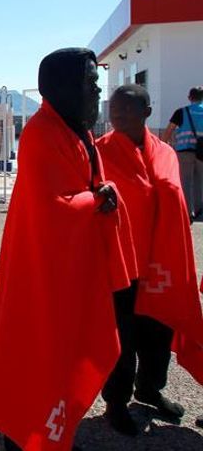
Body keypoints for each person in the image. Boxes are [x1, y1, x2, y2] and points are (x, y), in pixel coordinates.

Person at [0, 48, 137, 451]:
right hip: (40, 273)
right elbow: (53, 208)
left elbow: (81, 190)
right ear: (66, 86)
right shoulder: (41, 134)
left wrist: (98, 195)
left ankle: (57, 430)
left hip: (70, 271)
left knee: (65, 356)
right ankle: (23, 436)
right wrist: (97, 199)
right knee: (35, 354)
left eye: (96, 82)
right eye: (90, 82)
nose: (97, 90)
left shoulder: (76, 131)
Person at [97, 84, 203, 435]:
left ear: (147, 111)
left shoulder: (166, 153)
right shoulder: (99, 153)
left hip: (160, 263)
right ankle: (116, 402)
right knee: (121, 339)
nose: (118, 113)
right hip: (120, 265)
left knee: (158, 332)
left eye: (127, 108)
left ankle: (150, 389)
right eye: (114, 107)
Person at [160, 86, 203, 218]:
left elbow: (169, 130)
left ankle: (188, 211)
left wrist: (163, 146)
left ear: (189, 97)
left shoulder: (181, 112)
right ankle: (200, 210)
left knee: (186, 181)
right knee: (200, 182)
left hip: (184, 151)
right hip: (202, 152)